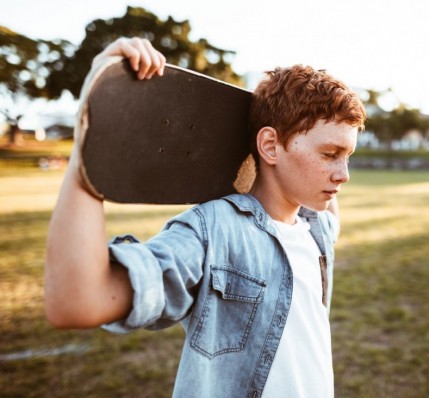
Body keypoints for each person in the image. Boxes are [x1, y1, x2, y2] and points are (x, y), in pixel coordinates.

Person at [45, 37, 366, 397]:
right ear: (270, 146)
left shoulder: (316, 226)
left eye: (348, 155)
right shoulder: (213, 232)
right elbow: (77, 303)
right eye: (330, 153)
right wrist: (91, 134)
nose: (344, 174)